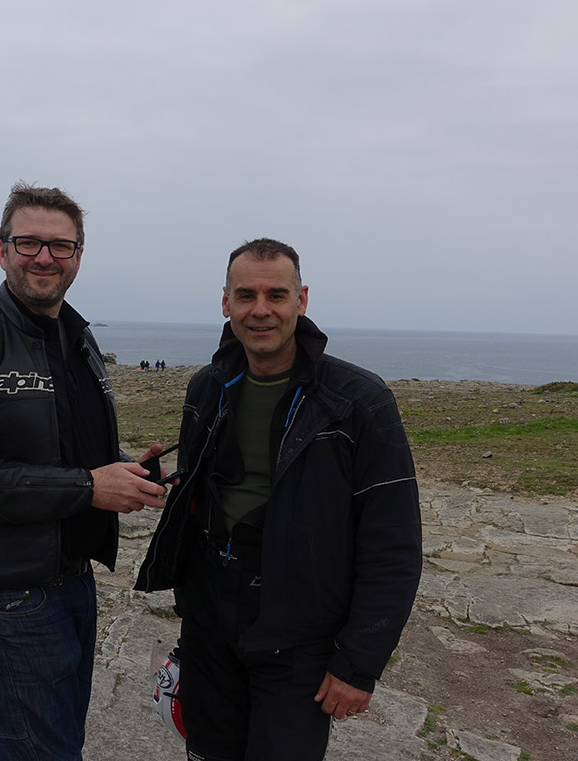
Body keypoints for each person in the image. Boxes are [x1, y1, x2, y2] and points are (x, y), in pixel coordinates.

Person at [0, 182, 168, 761]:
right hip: (9, 591)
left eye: (60, 246)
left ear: (78, 256)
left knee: (59, 747)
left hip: (72, 577)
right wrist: (87, 487)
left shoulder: (76, 338)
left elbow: (58, 448)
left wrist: (125, 469)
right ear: (2, 251)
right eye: (28, 243)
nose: (44, 257)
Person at [135, 238, 423, 760]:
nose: (260, 310)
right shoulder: (208, 386)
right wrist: (168, 486)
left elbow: (393, 543)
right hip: (210, 620)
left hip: (299, 632)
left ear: (302, 300)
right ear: (225, 303)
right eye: (245, 295)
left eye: (276, 294)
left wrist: (357, 664)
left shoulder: (358, 401)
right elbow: (217, 492)